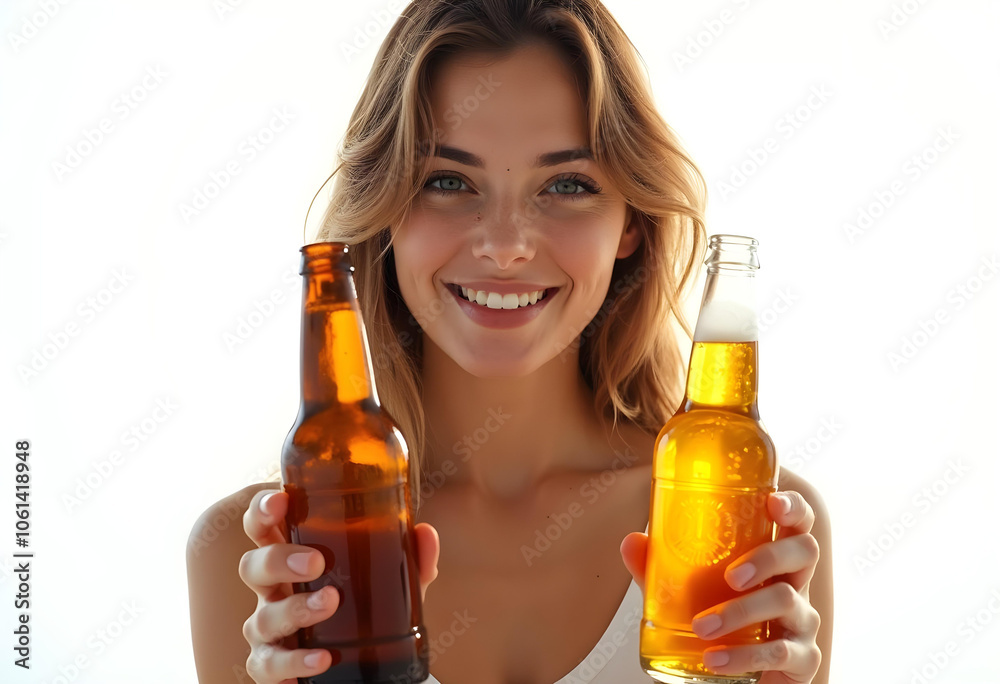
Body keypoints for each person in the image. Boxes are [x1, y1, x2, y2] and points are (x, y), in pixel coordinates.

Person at [186, 1, 833, 682]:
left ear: (632, 224)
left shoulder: (755, 532)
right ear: (385, 217)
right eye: (446, 181)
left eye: (565, 185)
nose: (503, 247)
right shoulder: (261, 561)